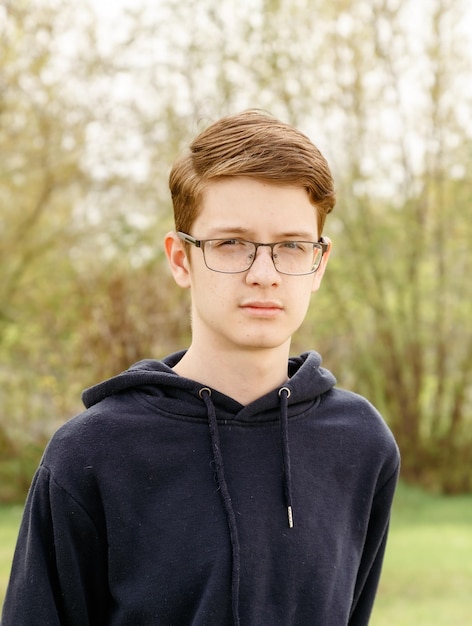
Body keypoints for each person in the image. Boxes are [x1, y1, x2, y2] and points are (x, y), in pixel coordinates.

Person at [2, 110, 400, 626]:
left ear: (319, 263)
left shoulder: (361, 444)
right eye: (231, 243)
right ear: (180, 259)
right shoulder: (93, 453)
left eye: (292, 246)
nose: (264, 274)